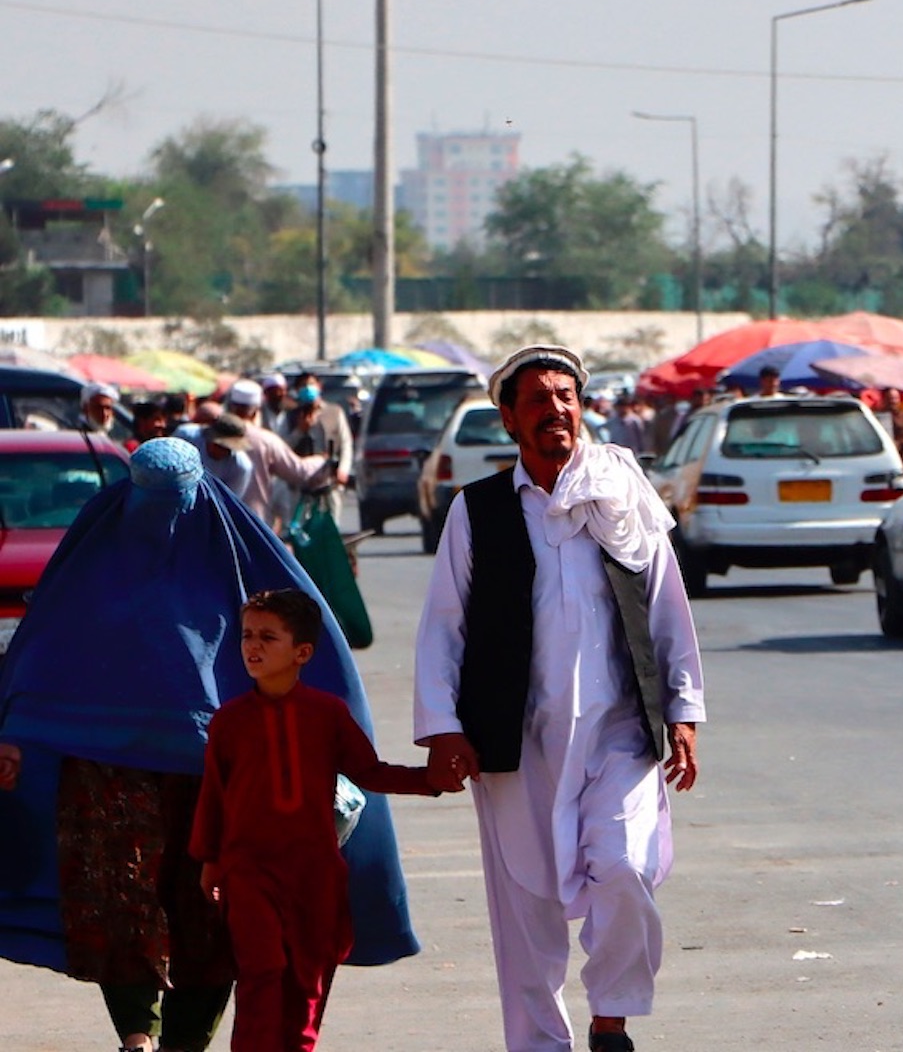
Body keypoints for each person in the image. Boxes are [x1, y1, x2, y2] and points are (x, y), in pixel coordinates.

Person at [0, 438, 419, 1052]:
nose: (162, 516)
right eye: (150, 498)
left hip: (217, 770)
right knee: (120, 899)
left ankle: (186, 1041)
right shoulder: (92, 562)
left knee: (213, 916)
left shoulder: (238, 561)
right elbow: (44, 653)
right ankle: (138, 1034)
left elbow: (307, 652)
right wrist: (13, 735)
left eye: (175, 499)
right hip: (107, 770)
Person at [413, 345, 706, 1052]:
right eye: (538, 400)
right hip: (517, 741)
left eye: (566, 396)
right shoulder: (476, 510)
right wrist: (443, 727)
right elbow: (444, 625)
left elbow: (667, 606)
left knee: (628, 869)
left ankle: (612, 1020)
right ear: (509, 418)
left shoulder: (623, 495)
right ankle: (540, 1044)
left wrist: (684, 709)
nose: (556, 411)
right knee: (526, 910)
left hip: (622, 735)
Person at [191, 589, 440, 1052]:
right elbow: (215, 795)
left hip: (315, 874)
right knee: (260, 971)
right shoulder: (229, 722)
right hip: (249, 872)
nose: (253, 647)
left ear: (302, 652)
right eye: (247, 636)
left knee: (308, 979)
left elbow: (369, 772)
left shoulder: (327, 715)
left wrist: (429, 779)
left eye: (268, 637)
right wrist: (209, 860)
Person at [222, 379, 327, 530]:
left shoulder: (205, 435)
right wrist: (321, 460)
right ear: (256, 410)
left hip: (216, 521)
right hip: (252, 521)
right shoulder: (264, 440)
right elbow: (298, 470)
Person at [275, 375, 354, 524]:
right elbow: (282, 448)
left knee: (330, 529)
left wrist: (343, 470)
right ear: (297, 391)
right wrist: (299, 430)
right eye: (303, 386)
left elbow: (345, 443)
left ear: (319, 387)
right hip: (300, 487)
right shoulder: (291, 416)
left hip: (329, 483)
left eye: (310, 384)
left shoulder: (334, 412)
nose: (307, 389)